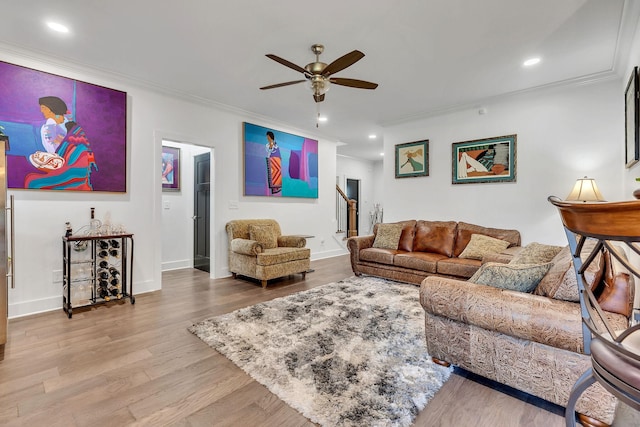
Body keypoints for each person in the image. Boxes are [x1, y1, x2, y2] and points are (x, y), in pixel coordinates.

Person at [25, 96, 97, 190]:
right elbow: (56, 150)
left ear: (51, 109)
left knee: (34, 182)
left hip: (74, 162)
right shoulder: (52, 126)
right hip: (70, 163)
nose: (41, 111)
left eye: (43, 108)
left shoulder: (59, 126)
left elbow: (57, 149)